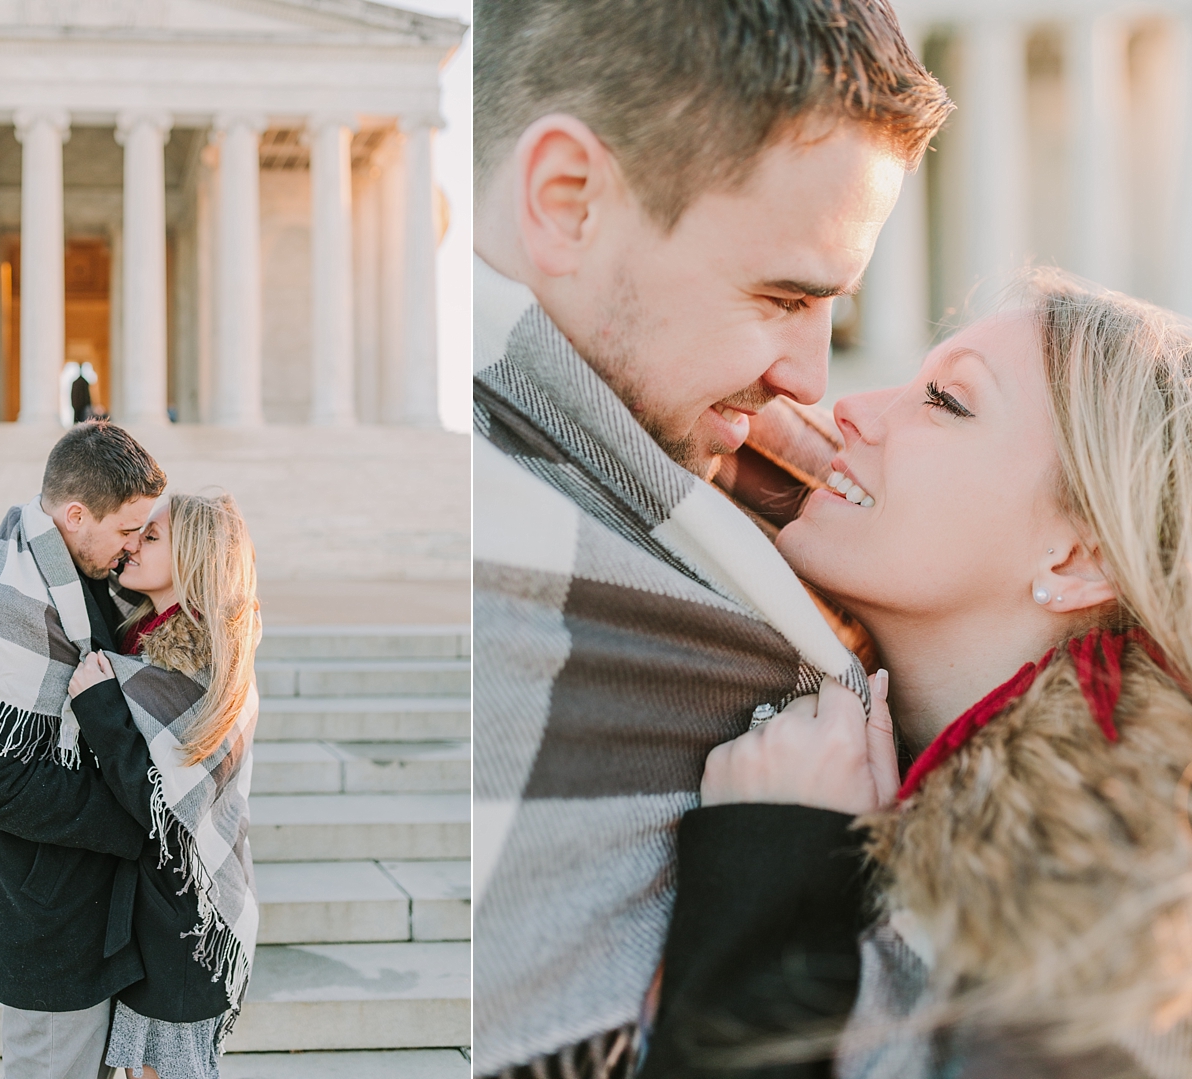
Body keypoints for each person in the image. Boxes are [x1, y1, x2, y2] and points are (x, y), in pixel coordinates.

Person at [470, 1, 951, 1075]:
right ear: (567, 201)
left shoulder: (716, 505)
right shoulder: (498, 564)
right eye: (782, 295)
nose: (813, 382)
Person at [641, 271, 1192, 1078]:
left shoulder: (1116, 923)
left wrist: (770, 880)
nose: (848, 409)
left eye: (947, 401)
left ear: (1077, 558)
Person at [0, 421, 168, 1079]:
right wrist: (138, 821)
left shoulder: (70, 576)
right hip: (47, 921)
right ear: (76, 515)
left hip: (87, 910)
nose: (134, 545)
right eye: (128, 528)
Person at [67, 492, 262, 1079]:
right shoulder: (139, 637)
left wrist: (101, 709)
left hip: (183, 918)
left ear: (194, 558)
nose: (133, 544)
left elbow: (162, 806)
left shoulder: (203, 658)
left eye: (151, 537)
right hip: (146, 908)